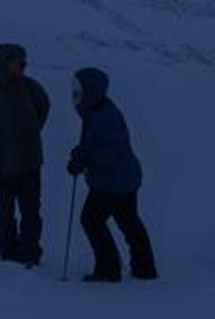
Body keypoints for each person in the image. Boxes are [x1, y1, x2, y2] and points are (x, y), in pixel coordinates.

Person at [67, 67, 158, 282]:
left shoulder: (104, 116)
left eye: (79, 90)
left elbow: (112, 151)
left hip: (113, 182)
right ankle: (144, 266)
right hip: (122, 178)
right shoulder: (98, 112)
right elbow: (99, 147)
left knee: (91, 220)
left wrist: (84, 157)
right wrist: (82, 155)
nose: (75, 95)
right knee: (127, 220)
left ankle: (109, 268)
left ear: (91, 91)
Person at [0, 43, 50, 265]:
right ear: (2, 64)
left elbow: (43, 108)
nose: (19, 67)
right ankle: (9, 259)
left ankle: (30, 255)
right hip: (1, 170)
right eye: (14, 63)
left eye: (21, 63)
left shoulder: (30, 88)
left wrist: (30, 135)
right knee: (5, 215)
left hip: (30, 165)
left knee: (31, 214)